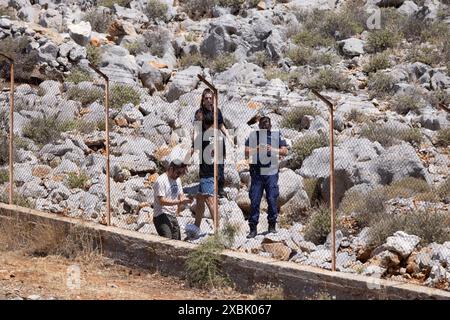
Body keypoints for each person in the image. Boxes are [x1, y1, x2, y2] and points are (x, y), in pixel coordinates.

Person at [244, 116, 288, 238]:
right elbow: (246, 152)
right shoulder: (253, 136)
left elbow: (285, 151)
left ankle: (272, 225)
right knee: (255, 200)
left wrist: (272, 149)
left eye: (266, 123)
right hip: (257, 173)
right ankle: (253, 228)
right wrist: (257, 149)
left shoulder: (276, 135)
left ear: (270, 125)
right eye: (262, 124)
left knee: (272, 198)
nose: (264, 125)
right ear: (258, 126)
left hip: (271, 172)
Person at [193, 88, 233, 198]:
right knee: (206, 165)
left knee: (219, 165)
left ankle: (219, 189)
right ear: (203, 100)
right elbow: (196, 129)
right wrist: (195, 143)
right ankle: (205, 187)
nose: (209, 100)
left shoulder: (217, 111)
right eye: (206, 98)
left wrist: (228, 136)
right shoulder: (200, 113)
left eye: (211, 98)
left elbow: (221, 125)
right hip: (206, 143)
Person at [153, 160, 193, 240]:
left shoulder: (177, 180)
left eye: (181, 173)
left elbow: (181, 196)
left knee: (177, 241)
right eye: (178, 173)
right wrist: (179, 202)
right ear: (171, 169)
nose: (179, 175)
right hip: (161, 215)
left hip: (173, 215)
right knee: (167, 241)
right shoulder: (161, 181)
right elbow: (162, 201)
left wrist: (188, 199)